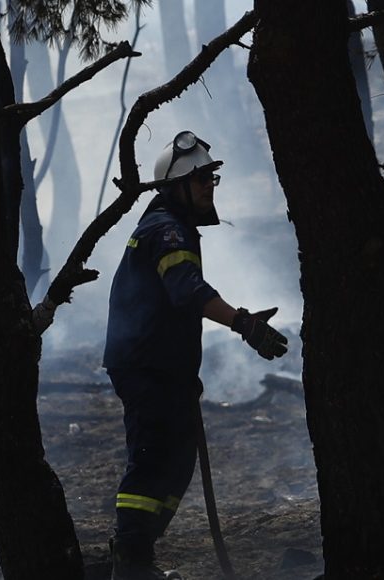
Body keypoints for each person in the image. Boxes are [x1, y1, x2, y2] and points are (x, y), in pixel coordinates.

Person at [103, 131, 289, 580]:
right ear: (177, 185)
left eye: (212, 178)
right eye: (202, 178)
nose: (210, 186)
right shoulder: (166, 228)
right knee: (151, 458)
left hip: (161, 365)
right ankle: (131, 564)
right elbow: (186, 290)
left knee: (177, 458)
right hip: (146, 366)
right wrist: (243, 324)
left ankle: (137, 551)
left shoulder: (169, 225)